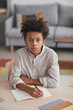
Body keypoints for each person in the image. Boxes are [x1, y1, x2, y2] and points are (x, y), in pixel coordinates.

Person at [10, 18, 60, 98]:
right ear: (25, 41)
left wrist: (29, 81)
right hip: (24, 92)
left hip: (46, 93)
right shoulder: (20, 54)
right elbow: (13, 78)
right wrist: (28, 89)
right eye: (30, 40)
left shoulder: (51, 55)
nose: (34, 44)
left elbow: (55, 82)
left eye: (38, 40)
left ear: (43, 41)